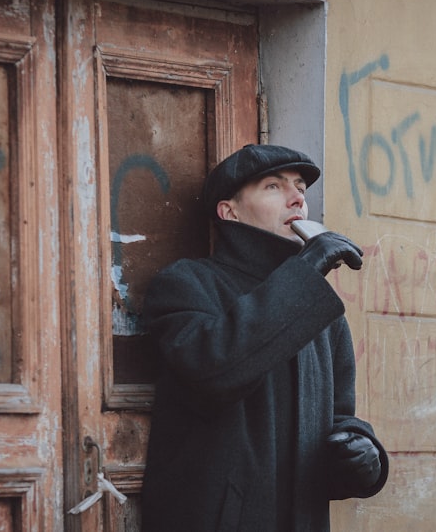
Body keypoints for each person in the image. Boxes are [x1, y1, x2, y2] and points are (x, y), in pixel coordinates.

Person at [140, 144, 389, 531]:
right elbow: (213, 370)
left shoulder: (321, 309)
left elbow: (339, 415)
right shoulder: (186, 283)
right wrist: (308, 268)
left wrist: (362, 454)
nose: (296, 199)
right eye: (273, 187)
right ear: (229, 212)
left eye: (301, 189)